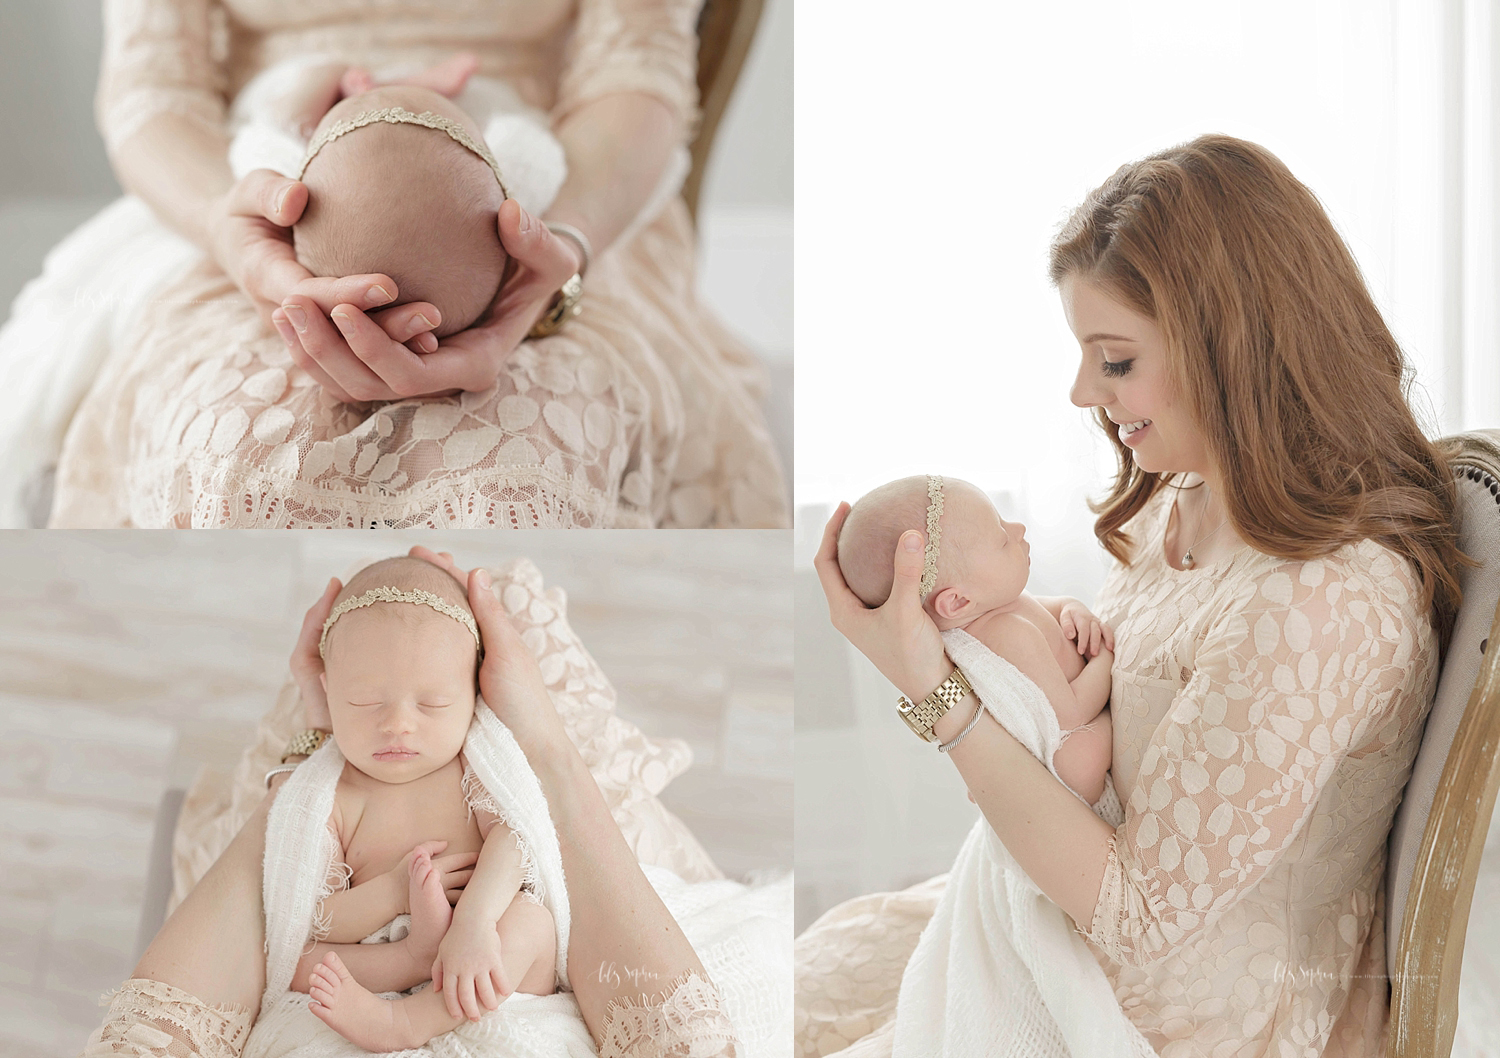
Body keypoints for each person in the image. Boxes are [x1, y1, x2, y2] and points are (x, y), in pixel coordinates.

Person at [801, 135, 1468, 1057]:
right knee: (795, 983)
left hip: (1162, 1018)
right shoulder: (1189, 503)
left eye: (1114, 362)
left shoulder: (1323, 601)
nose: (1083, 391)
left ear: (1233, 350)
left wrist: (937, 698)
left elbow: (1142, 915)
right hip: (1053, 917)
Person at [40, 0, 786, 528]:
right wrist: (229, 221)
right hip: (248, 182)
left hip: (556, 184)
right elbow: (154, 92)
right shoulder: (256, 177)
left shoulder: (542, 197)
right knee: (237, 457)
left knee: (525, 472)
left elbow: (637, 74)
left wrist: (559, 244)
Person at [82, 546, 739, 1058]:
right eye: (365, 703)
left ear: (475, 695)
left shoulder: (477, 766)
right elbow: (305, 915)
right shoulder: (331, 793)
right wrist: (394, 896)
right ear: (330, 692)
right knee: (291, 965)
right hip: (383, 956)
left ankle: (405, 1022)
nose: (398, 725)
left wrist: (476, 919)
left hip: (482, 956)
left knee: (532, 921)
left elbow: (517, 836)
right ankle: (405, 978)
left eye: (432, 704)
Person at [837, 473, 1115, 805]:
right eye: (1002, 538)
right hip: (1063, 743)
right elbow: (1071, 715)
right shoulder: (1007, 634)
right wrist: (1105, 659)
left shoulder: (1000, 603)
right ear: (957, 602)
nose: (1019, 529)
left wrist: (1074, 608)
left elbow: (1050, 609)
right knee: (1078, 760)